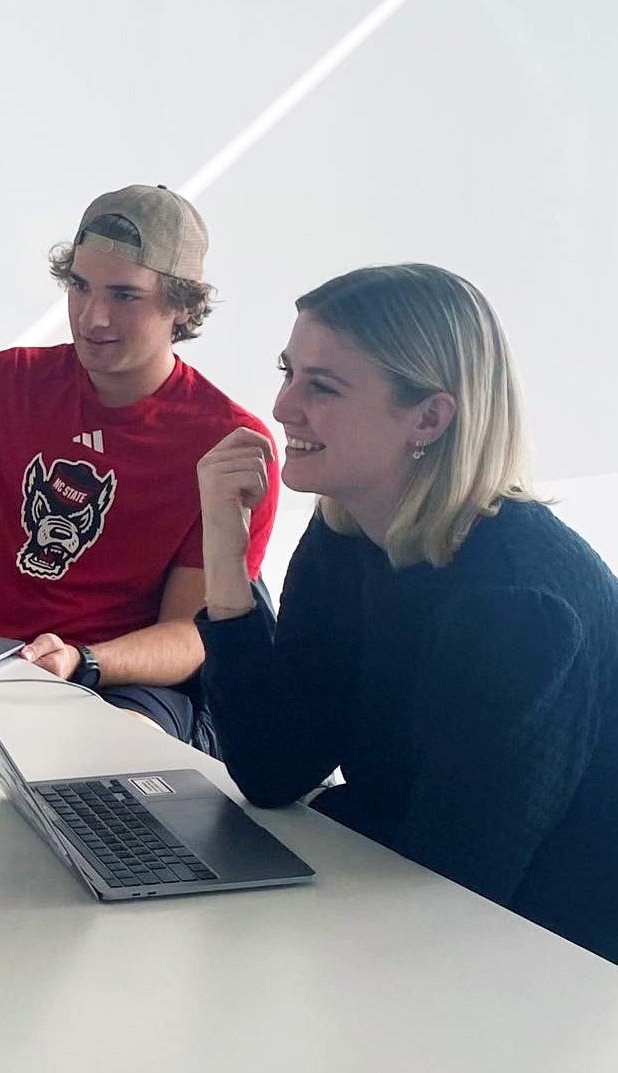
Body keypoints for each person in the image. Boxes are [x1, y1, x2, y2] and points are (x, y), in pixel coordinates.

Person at [195, 263, 618, 963]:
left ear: (427, 417)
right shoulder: (346, 533)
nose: (280, 406)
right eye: (287, 371)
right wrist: (223, 548)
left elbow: (455, 884)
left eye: (320, 386)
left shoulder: (518, 604)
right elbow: (272, 767)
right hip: (419, 916)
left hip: (556, 968)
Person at [0, 185, 277, 753]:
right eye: (80, 286)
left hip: (115, 679)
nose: (93, 316)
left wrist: (85, 660)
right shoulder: (3, 382)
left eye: (124, 295)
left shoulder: (226, 443)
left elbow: (187, 637)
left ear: (182, 306)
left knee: (115, 760)